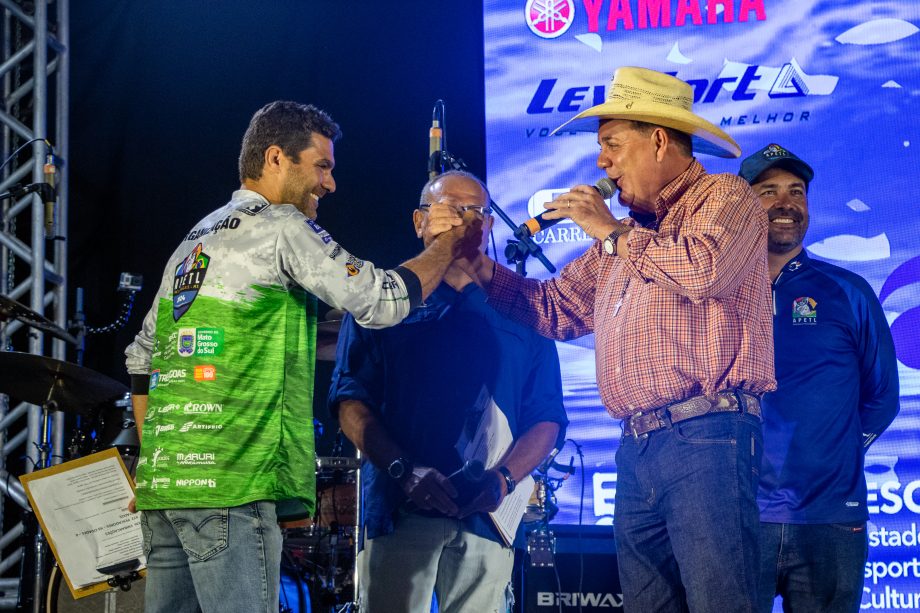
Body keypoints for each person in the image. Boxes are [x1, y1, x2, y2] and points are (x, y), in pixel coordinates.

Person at [123, 101, 482, 613]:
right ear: (276, 158)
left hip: (167, 492)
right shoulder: (281, 227)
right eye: (322, 165)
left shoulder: (194, 240)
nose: (330, 183)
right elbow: (380, 300)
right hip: (232, 487)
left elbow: (141, 358)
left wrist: (152, 463)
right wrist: (446, 245)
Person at [460, 66, 776, 611]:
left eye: (611, 144)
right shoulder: (621, 239)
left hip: (709, 436)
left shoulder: (725, 197)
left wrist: (609, 231)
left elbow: (704, 271)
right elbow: (551, 309)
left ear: (657, 140)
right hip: (637, 447)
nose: (601, 162)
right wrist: (478, 267)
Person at [328, 170, 568, 613]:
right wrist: (403, 469)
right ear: (419, 221)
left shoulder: (521, 306)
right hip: (399, 508)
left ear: (490, 225)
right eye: (449, 210)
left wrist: (503, 479)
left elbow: (548, 415)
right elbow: (350, 400)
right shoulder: (380, 299)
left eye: (475, 211)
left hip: (486, 515)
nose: (462, 221)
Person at [739, 143, 900, 613]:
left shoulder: (847, 292)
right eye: (767, 191)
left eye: (796, 192)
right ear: (743, 205)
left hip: (830, 517)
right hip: (737, 517)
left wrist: (839, 448)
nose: (785, 203)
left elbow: (883, 399)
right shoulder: (717, 290)